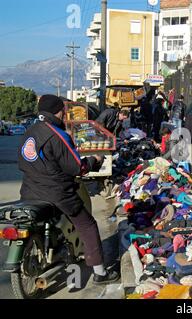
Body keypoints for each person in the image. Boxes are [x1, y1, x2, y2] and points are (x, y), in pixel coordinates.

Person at [18, 94, 119, 284]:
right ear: (59, 111)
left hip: (29, 191)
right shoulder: (57, 134)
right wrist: (94, 160)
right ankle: (100, 273)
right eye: (63, 111)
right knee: (87, 224)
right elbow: (77, 167)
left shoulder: (29, 132)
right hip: (58, 192)